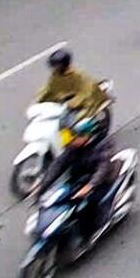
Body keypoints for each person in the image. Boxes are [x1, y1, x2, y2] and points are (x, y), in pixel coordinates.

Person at [34, 106, 122, 247]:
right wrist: (42, 184)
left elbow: (103, 168)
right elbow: (59, 164)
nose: (69, 140)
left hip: (100, 181)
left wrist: (90, 186)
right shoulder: (73, 148)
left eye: (73, 136)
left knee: (88, 205)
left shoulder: (103, 145)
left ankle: (89, 234)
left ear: (84, 136)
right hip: (79, 179)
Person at [34, 47, 109, 118]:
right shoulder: (55, 76)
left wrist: (73, 102)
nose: (55, 69)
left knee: (77, 123)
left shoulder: (79, 75)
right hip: (65, 103)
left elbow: (86, 92)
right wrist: (39, 99)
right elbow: (49, 88)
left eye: (56, 66)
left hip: (84, 102)